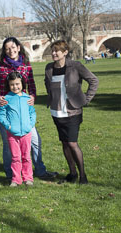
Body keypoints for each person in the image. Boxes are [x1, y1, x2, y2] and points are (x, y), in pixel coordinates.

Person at [0, 37, 57, 181]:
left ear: (18, 47)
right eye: (7, 49)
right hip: (7, 111)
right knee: (8, 144)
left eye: (13, 47)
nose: (11, 51)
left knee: (35, 140)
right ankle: (11, 173)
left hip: (24, 111)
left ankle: (39, 169)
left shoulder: (26, 66)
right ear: (4, 51)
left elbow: (31, 86)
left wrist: (32, 96)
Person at [45, 40, 99, 184]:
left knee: (72, 143)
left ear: (65, 52)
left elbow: (94, 81)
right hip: (56, 112)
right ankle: (72, 173)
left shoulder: (76, 66)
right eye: (53, 50)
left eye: (57, 50)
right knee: (64, 143)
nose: (54, 53)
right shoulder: (49, 68)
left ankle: (83, 175)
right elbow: (47, 84)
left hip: (73, 112)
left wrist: (86, 99)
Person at [0, 72, 36, 187]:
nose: (15, 87)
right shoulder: (6, 99)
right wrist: (8, 127)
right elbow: (2, 115)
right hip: (12, 134)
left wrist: (30, 125)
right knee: (15, 157)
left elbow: (32, 113)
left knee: (26, 156)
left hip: (26, 133)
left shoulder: (27, 98)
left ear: (22, 84)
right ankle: (16, 179)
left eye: (17, 84)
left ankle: (28, 178)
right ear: (8, 86)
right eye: (12, 85)